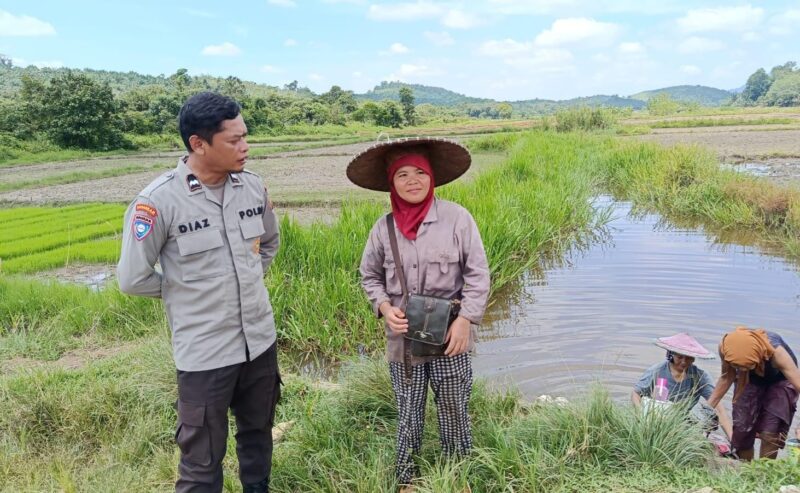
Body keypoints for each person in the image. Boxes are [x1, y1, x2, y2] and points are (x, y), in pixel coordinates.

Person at [117, 92, 281, 493]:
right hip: (206, 352)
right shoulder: (158, 201)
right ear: (198, 143)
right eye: (234, 140)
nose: (245, 147)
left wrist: (243, 280)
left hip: (259, 342)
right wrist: (185, 292)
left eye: (245, 137)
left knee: (258, 436)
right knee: (201, 460)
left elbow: (269, 244)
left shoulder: (252, 188)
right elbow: (132, 278)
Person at [350, 137, 490, 488]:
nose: (412, 181)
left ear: (432, 177)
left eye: (420, 172)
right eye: (402, 175)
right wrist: (384, 307)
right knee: (408, 410)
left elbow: (478, 275)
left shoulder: (458, 219)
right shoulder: (383, 229)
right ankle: (407, 478)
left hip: (450, 336)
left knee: (454, 408)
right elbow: (369, 276)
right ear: (391, 183)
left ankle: (457, 474)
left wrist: (466, 320)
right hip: (404, 341)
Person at [706, 326, 800, 460]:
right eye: (737, 367)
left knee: (770, 432)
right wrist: (707, 409)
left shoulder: (777, 353)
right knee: (742, 430)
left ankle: (764, 469)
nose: (742, 369)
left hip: (780, 380)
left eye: (746, 366)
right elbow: (727, 377)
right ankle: (746, 468)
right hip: (748, 379)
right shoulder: (726, 348)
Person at [631, 333, 733, 439]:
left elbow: (718, 406)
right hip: (659, 420)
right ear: (671, 355)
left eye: (688, 358)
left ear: (693, 359)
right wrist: (641, 415)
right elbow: (636, 393)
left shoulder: (699, 376)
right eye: (679, 357)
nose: (684, 362)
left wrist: (732, 439)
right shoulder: (657, 371)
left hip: (685, 424)